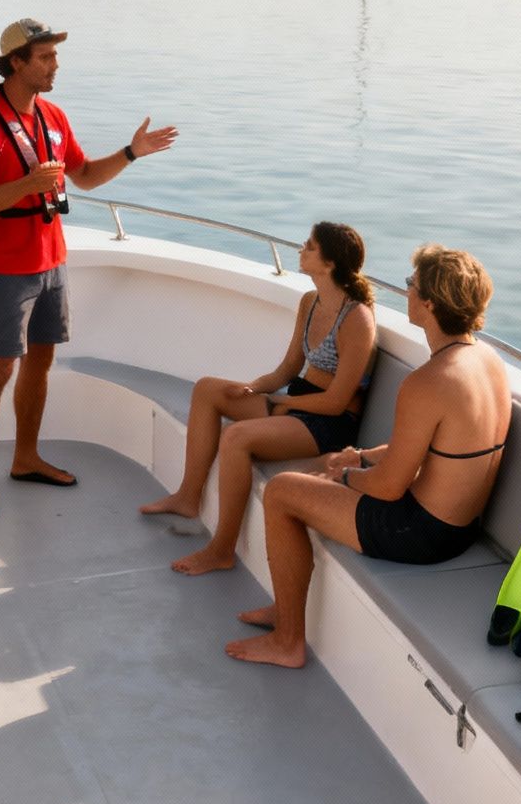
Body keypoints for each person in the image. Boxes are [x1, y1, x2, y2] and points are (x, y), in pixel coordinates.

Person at [226, 245, 512, 669]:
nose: (406, 290)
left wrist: (344, 477)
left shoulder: (428, 381)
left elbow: (388, 487)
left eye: (411, 284)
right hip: (461, 528)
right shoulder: (487, 362)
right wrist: (359, 456)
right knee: (328, 467)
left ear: (429, 304)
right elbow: (440, 451)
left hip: (417, 533)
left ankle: (288, 640)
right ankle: (281, 610)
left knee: (284, 492)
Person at [0, 17, 179, 519]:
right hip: (7, 268)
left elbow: (87, 176)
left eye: (55, 55)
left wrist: (131, 153)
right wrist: (27, 186)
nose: (57, 65)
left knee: (41, 362)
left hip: (53, 261)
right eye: (46, 57)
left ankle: (26, 458)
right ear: (17, 62)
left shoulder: (53, 115)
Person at [140, 222, 378, 575]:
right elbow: (288, 368)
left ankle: (221, 550)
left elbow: (336, 402)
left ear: (329, 264)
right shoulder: (310, 301)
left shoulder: (357, 319)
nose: (301, 249)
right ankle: (189, 497)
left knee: (235, 437)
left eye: (309, 247)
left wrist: (283, 403)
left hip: (328, 423)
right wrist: (255, 388)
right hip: (297, 401)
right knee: (208, 389)